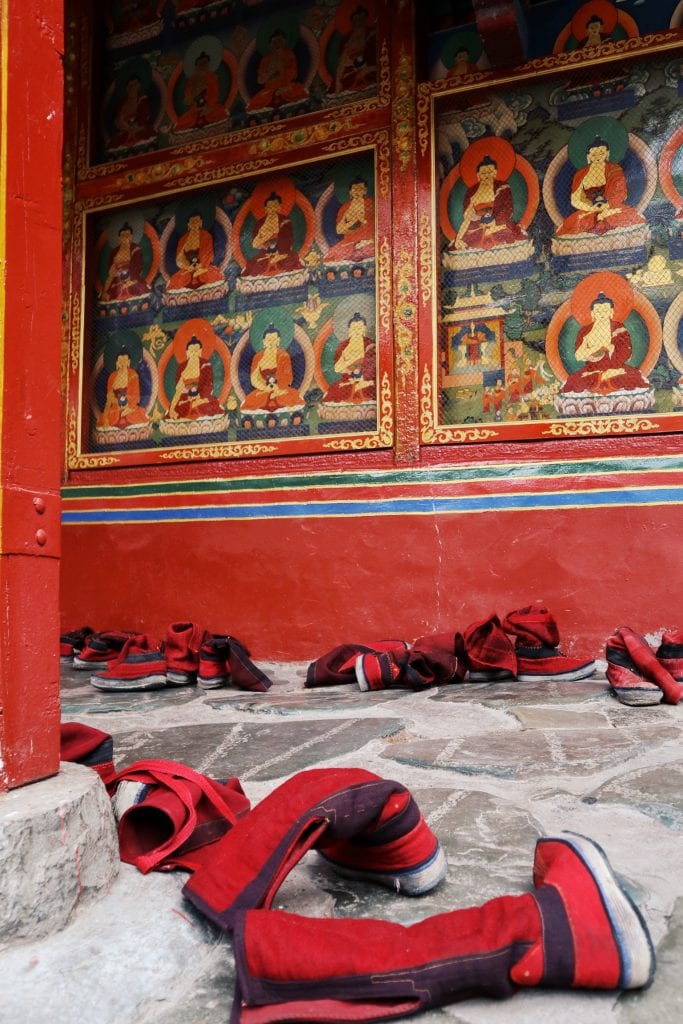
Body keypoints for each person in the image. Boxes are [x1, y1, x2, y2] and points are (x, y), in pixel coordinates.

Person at [560, 291, 650, 395]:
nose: (602, 314)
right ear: (592, 313)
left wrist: (611, 348)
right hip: (591, 371)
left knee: (631, 378)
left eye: (605, 310)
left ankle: (605, 376)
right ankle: (604, 376)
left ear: (611, 312)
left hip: (616, 370)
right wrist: (596, 347)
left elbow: (626, 353)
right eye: (598, 311)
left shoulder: (618, 328)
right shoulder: (585, 331)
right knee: (574, 381)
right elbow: (578, 356)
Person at [556, 136, 645, 237]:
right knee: (576, 225)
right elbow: (575, 199)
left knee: (625, 219)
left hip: (611, 208)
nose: (597, 157)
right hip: (589, 210)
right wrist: (591, 208)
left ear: (607, 153)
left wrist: (607, 206)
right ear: (588, 156)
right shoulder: (580, 174)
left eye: (601, 153)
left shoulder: (614, 169)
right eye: (594, 154)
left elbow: (621, 193)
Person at [451, 155, 527, 251]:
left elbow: (507, 209)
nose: (487, 175)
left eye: (490, 172)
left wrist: (494, 222)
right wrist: (459, 238)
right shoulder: (471, 192)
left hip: (498, 224)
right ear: (478, 175)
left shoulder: (502, 187)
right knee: (464, 240)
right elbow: (467, 219)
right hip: (478, 226)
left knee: (507, 231)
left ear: (495, 173)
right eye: (483, 173)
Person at [246, 28, 308, 111]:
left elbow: (293, 73)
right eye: (274, 41)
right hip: (269, 89)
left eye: (280, 40)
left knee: (296, 90)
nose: (277, 43)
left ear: (284, 42)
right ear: (270, 44)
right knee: (258, 101)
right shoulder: (266, 59)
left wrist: (281, 70)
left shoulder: (288, 53)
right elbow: (260, 80)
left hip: (286, 85)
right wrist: (270, 73)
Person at [242, 325, 302, 410]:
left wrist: (277, 388)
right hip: (264, 389)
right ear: (264, 341)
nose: (271, 342)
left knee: (288, 399)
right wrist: (265, 388)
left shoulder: (283, 355)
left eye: (274, 340)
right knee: (252, 401)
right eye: (268, 340)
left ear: (278, 340)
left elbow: (288, 377)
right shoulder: (258, 357)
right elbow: (254, 378)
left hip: (280, 389)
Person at [243, 192, 303, 276]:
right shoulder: (260, 223)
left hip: (282, 254)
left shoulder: (284, 220)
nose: (272, 209)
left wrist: (280, 255)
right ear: (266, 208)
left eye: (275, 206)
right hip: (265, 255)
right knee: (253, 265)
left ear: (279, 207)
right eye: (270, 207)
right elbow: (254, 244)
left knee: (292, 258)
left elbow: (288, 239)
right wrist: (265, 236)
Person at [324, 312, 375, 403]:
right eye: (354, 328)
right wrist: (348, 363)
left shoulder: (369, 344)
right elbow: (337, 368)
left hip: (366, 380)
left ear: (364, 329)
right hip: (348, 380)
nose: (356, 331)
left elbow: (372, 366)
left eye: (359, 328)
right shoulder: (343, 346)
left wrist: (364, 379)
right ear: (349, 330)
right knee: (334, 391)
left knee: (370, 389)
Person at [167, 336, 224, 419]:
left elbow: (208, 385)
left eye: (196, 350)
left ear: (200, 351)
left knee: (211, 404)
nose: (194, 352)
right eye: (191, 350)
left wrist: (200, 397)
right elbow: (178, 392)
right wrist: (172, 408)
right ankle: (192, 407)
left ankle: (193, 408)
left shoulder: (205, 365)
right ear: (187, 352)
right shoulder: (182, 368)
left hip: (202, 398)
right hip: (186, 400)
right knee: (177, 408)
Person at [167, 213, 224, 291]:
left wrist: (199, 266)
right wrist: (187, 266)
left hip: (203, 267)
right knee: (175, 282)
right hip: (188, 269)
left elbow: (208, 254)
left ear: (201, 223)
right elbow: (179, 258)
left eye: (197, 221)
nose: (195, 224)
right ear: (188, 224)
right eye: (192, 222)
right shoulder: (183, 239)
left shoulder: (206, 235)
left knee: (214, 279)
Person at [174, 51, 227, 132]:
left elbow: (214, 96)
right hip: (195, 110)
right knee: (182, 121)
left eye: (205, 63)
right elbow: (187, 101)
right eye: (200, 64)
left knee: (220, 112)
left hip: (209, 107)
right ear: (196, 66)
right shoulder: (191, 81)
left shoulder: (212, 77)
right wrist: (195, 90)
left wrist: (207, 107)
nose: (203, 65)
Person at [325, 177, 374, 262]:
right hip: (349, 242)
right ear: (350, 192)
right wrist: (352, 222)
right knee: (331, 255)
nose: (357, 192)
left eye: (360, 189)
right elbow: (339, 230)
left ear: (365, 191)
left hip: (368, 239)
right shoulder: (345, 208)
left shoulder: (371, 204)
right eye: (354, 189)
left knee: (369, 249)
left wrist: (368, 240)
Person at [97, 350, 149, 428]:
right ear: (116, 362)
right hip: (115, 410)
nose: (122, 363)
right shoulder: (112, 377)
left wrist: (128, 407)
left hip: (130, 409)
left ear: (128, 362)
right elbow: (109, 399)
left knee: (139, 415)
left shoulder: (133, 374)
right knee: (103, 419)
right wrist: (106, 418)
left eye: (125, 361)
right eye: (120, 361)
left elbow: (136, 397)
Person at [100, 222, 149, 301]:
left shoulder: (135, 248)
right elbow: (111, 274)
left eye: (128, 234)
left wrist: (128, 276)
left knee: (136, 288)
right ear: (119, 238)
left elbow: (136, 266)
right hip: (117, 281)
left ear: (131, 236)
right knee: (109, 294)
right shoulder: (114, 252)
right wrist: (105, 290)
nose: (125, 237)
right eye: (123, 235)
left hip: (132, 280)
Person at [334, 5, 376, 94]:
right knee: (347, 81)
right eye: (356, 20)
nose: (359, 22)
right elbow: (342, 64)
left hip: (371, 70)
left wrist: (368, 69)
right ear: (352, 23)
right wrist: (338, 81)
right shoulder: (347, 40)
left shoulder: (372, 35)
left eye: (362, 19)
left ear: (366, 20)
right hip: (352, 72)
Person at [108, 75, 156, 150]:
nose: (133, 88)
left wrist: (134, 125)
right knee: (115, 141)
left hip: (139, 129)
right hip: (124, 131)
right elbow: (117, 120)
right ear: (127, 88)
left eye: (135, 85)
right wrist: (123, 125)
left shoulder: (142, 99)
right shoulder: (122, 103)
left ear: (138, 86)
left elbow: (143, 116)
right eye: (130, 86)